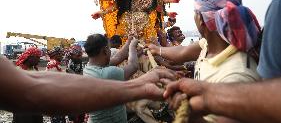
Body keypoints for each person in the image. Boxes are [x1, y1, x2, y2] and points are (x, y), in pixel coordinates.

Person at [162, 0, 281, 123]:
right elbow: (183, 51)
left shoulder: (237, 75)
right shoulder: (208, 46)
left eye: (195, 12)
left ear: (201, 20)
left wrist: (190, 115)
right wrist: (156, 49)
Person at [0, 55, 176, 115]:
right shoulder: (109, 72)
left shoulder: (91, 70)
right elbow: (33, 90)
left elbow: (34, 83)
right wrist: (140, 87)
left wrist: (140, 86)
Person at [83, 34, 139, 123]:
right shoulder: (106, 74)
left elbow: (118, 57)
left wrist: (128, 41)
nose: (110, 51)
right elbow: (134, 66)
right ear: (105, 50)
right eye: (109, 49)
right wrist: (132, 46)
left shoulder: (89, 67)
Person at [13, 47, 43, 123]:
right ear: (30, 57)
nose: (39, 60)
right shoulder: (18, 71)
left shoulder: (34, 69)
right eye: (38, 57)